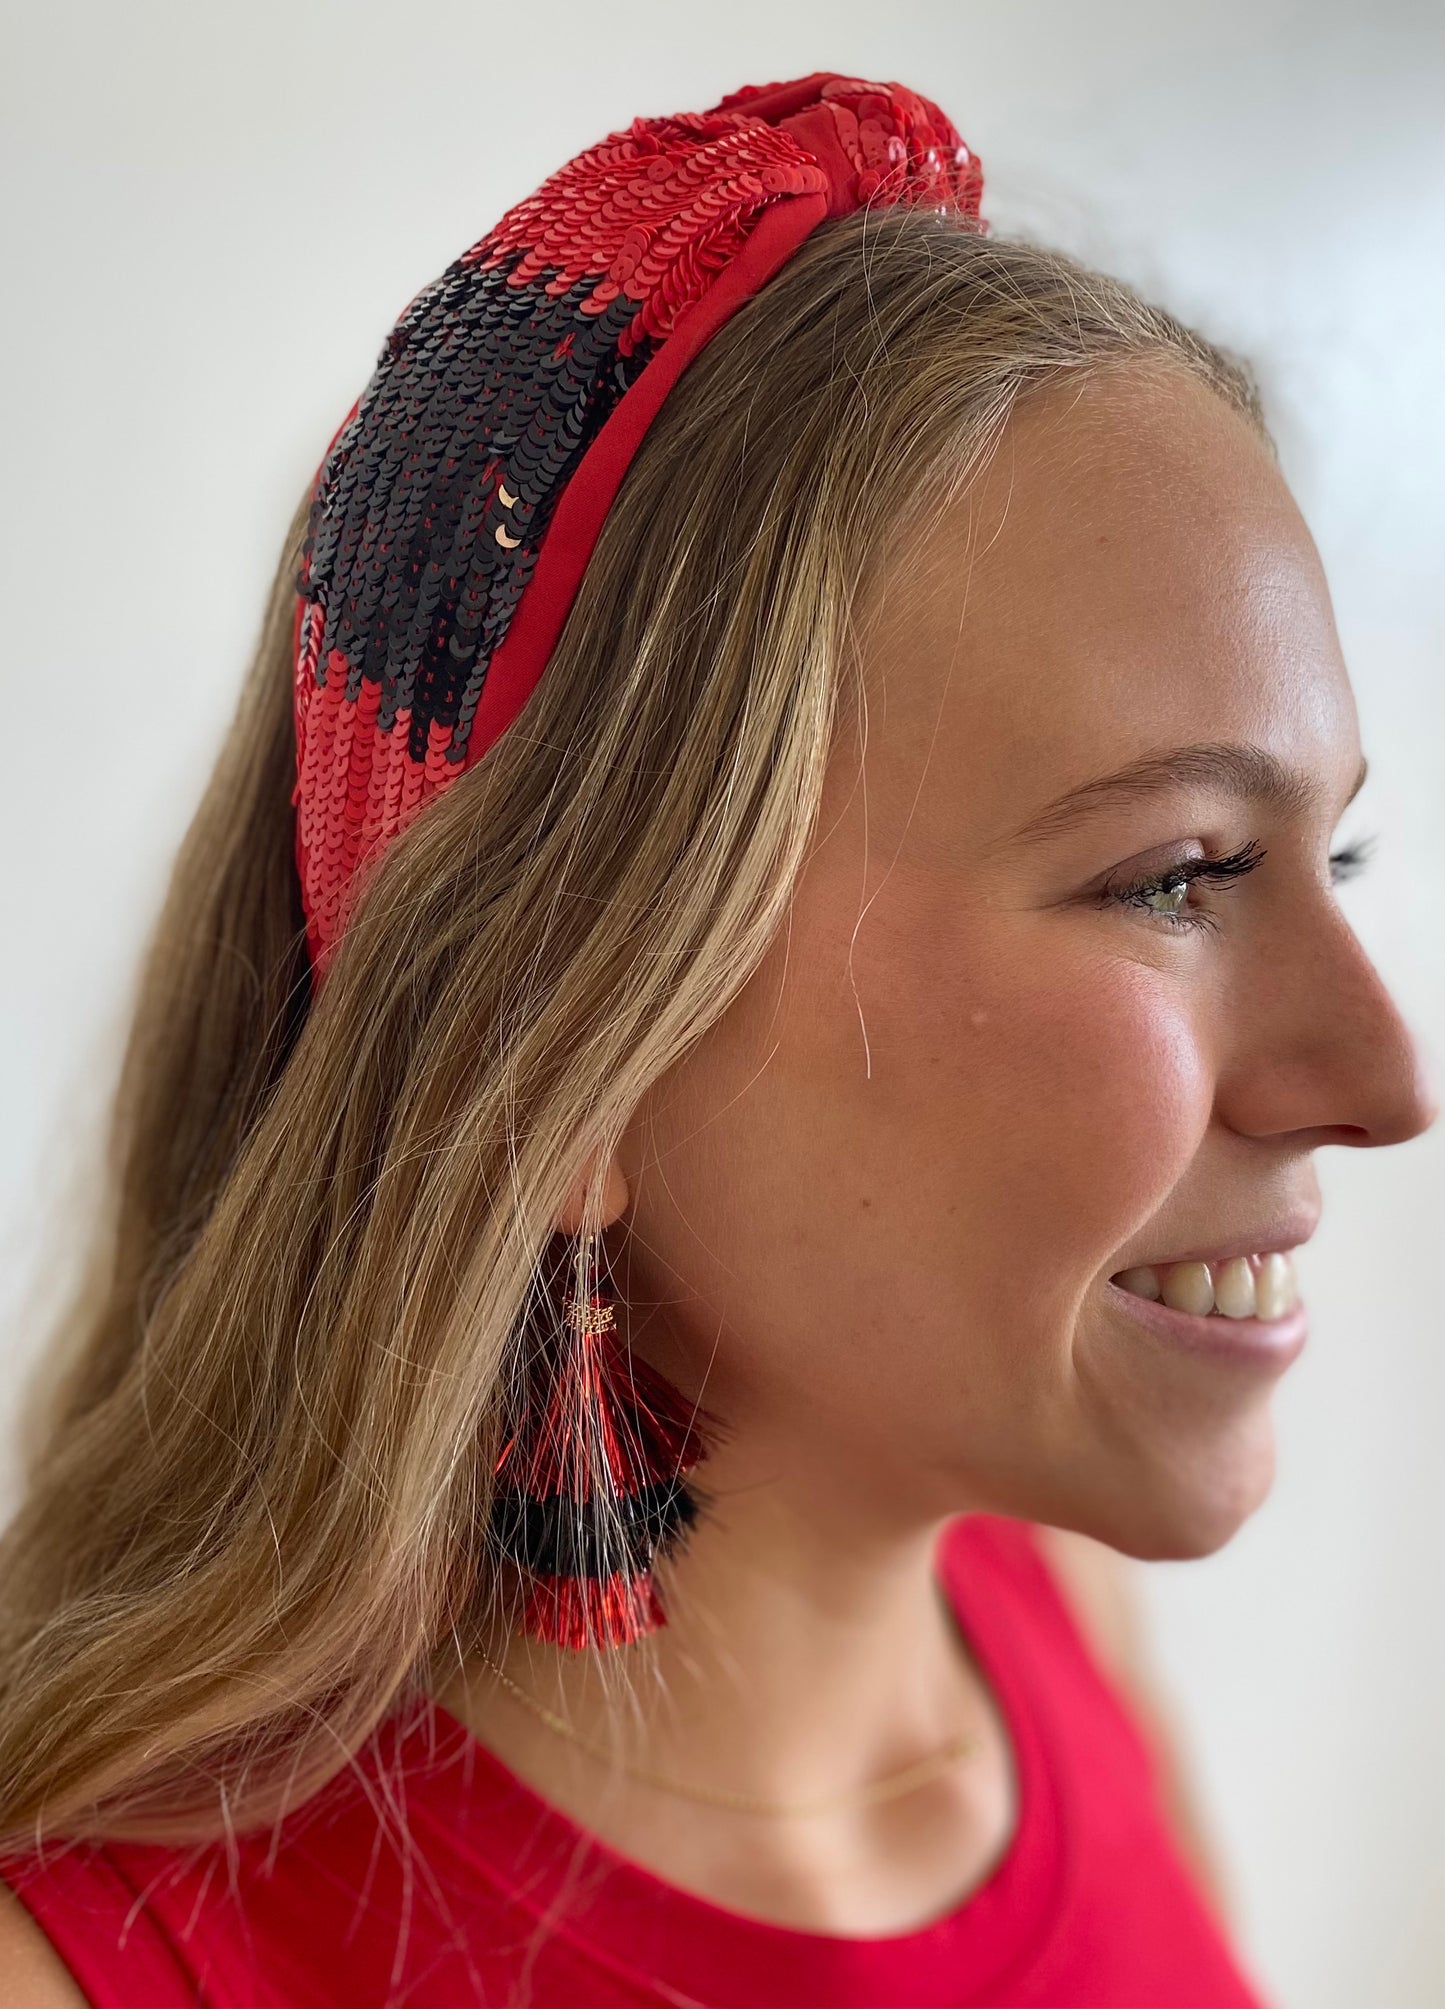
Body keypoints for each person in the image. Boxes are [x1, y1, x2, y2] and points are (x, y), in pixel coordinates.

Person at [0, 70, 1434, 2009]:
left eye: (1328, 850)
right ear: (562, 1056)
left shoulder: (1039, 1615)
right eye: (1178, 875)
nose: (1386, 1080)